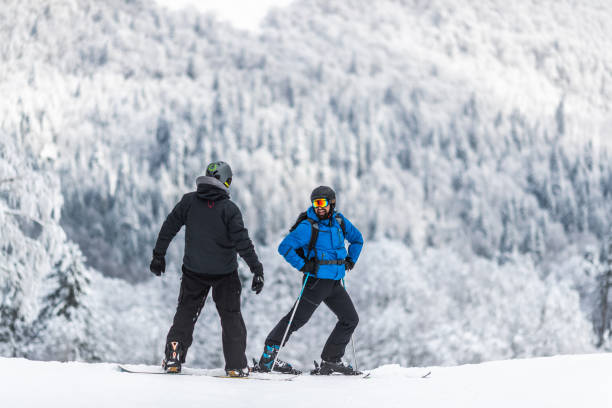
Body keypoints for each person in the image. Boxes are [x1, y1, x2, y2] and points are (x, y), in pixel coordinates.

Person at [149, 161, 264, 377]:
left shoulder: (189, 202)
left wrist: (158, 255)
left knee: (185, 313)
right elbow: (243, 243)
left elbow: (169, 226)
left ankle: (173, 356)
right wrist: (256, 269)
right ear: (226, 181)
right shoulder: (229, 209)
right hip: (225, 274)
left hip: (194, 271)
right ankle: (236, 365)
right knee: (231, 318)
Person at [256, 186, 364, 375]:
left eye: (322, 203)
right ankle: (268, 356)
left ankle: (331, 359)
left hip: (334, 283)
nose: (319, 207)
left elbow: (357, 239)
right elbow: (285, 247)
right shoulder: (308, 226)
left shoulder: (339, 222)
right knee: (296, 320)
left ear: (332, 203)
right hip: (315, 282)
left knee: (350, 319)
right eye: (315, 203)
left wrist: (350, 260)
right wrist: (304, 265)